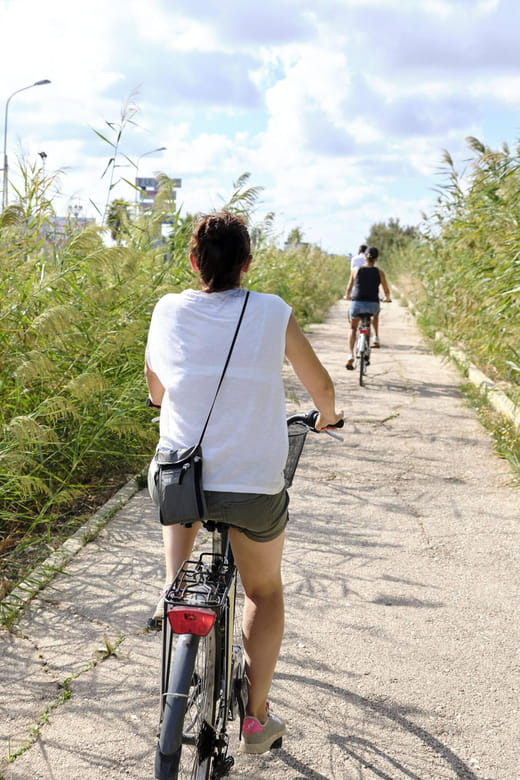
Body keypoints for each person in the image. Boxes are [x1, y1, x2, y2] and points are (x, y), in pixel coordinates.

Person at [145, 211, 343, 754]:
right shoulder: (272, 310)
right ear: (247, 264)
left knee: (181, 482)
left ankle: (172, 587)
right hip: (253, 485)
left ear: (193, 261)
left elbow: (156, 386)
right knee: (263, 590)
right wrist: (327, 416)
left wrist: (166, 400)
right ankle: (255, 719)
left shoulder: (168, 308)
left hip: (181, 478)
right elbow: (321, 387)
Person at [344, 246, 391, 369]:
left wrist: (347, 296)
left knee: (353, 328)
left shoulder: (355, 270)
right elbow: (386, 290)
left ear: (364, 257)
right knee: (375, 315)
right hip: (372, 305)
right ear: (377, 259)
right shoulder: (379, 272)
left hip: (357, 304)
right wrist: (387, 298)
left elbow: (349, 288)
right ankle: (375, 337)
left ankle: (350, 355)